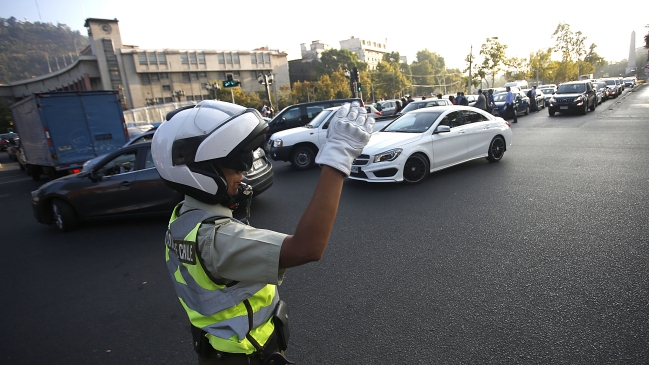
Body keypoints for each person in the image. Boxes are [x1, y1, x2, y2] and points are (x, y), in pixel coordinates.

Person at [152, 100, 374, 365]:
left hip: (218, 349)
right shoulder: (216, 239)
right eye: (234, 161)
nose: (243, 168)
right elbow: (307, 247)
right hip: (246, 355)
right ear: (196, 171)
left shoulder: (182, 218)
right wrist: (338, 157)